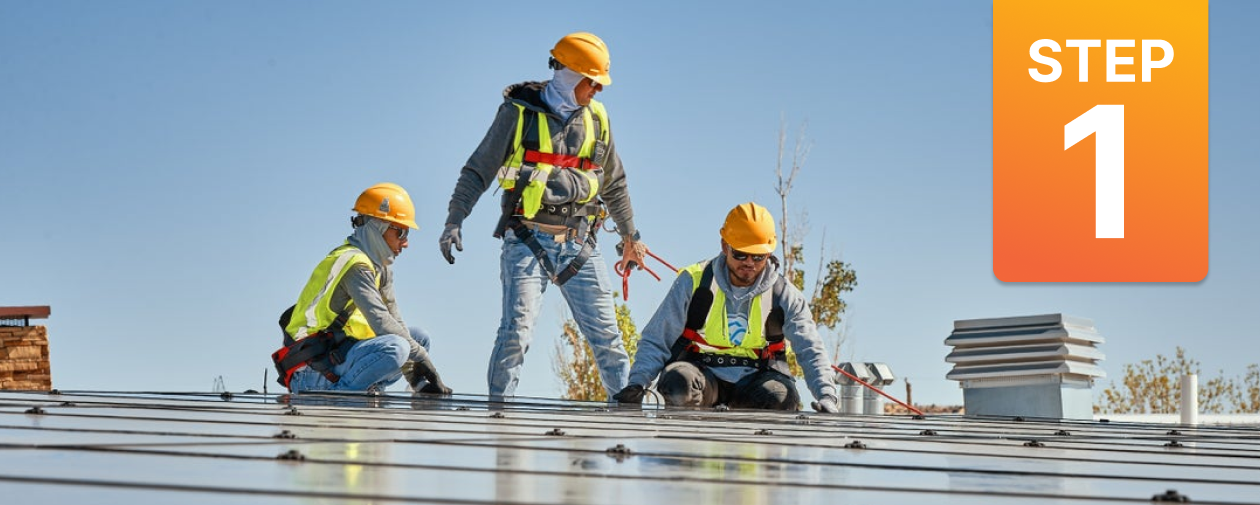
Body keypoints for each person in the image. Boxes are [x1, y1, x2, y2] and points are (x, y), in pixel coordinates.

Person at [439, 32, 648, 398]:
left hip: (581, 243)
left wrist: (632, 238)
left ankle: (628, 416)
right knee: (515, 333)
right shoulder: (517, 114)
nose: (597, 90)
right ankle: (499, 414)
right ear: (569, 75)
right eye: (592, 81)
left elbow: (615, 183)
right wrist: (454, 219)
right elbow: (478, 170)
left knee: (608, 338)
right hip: (526, 240)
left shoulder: (598, 119)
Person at [612, 203, 841, 413]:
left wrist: (827, 395)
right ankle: (688, 450)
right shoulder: (694, 281)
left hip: (758, 381)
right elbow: (656, 338)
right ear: (724, 246)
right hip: (702, 375)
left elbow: (810, 348)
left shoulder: (783, 294)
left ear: (769, 254)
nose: (749, 262)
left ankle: (755, 453)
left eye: (758, 256)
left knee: (780, 397)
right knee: (676, 383)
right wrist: (637, 383)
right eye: (740, 253)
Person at [272, 182, 451, 395]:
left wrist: (418, 374)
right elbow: (382, 323)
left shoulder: (379, 268)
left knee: (419, 337)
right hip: (315, 370)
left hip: (342, 356)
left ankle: (374, 388)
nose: (406, 243)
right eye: (402, 232)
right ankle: (344, 396)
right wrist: (422, 359)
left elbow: (396, 322)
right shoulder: (354, 264)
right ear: (378, 228)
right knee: (398, 347)